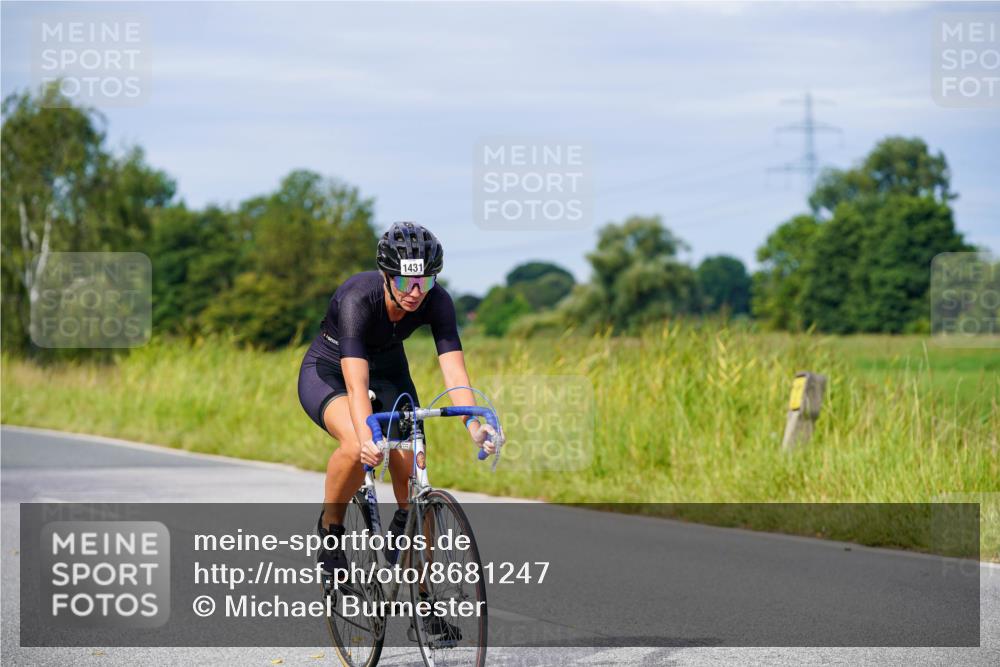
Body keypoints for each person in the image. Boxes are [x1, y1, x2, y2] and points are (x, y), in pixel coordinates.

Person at [297, 221, 496, 575]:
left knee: (414, 474)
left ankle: (425, 592)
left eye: (424, 282)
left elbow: (454, 374)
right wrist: (367, 439)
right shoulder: (358, 298)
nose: (415, 293)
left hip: (390, 372)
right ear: (386, 276)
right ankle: (331, 529)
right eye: (405, 282)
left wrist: (474, 426)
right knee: (355, 444)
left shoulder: (438, 301)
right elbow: (356, 385)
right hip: (331, 371)